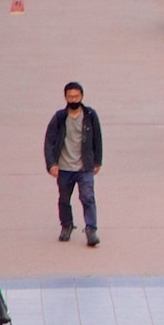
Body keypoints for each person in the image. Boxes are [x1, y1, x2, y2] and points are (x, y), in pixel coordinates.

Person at [46, 82, 105, 247]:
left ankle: (91, 230)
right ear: (65, 97)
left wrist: (98, 161)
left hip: (85, 167)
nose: (73, 99)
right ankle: (66, 225)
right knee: (64, 199)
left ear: (82, 96)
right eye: (70, 97)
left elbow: (97, 139)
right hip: (64, 167)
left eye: (76, 96)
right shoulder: (59, 118)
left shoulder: (90, 115)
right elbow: (49, 142)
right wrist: (51, 164)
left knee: (88, 197)